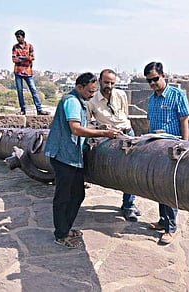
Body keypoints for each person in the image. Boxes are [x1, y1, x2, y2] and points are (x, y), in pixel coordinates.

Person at [44, 72, 120, 248]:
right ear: (79, 87)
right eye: (90, 92)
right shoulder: (71, 101)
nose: (92, 95)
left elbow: (83, 125)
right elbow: (76, 129)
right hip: (64, 156)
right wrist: (103, 133)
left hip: (72, 157)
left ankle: (65, 228)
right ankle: (61, 234)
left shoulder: (80, 101)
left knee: (77, 194)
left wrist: (100, 127)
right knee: (64, 196)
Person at [86, 69, 143, 222]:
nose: (109, 86)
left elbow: (125, 114)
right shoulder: (92, 101)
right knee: (121, 171)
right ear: (99, 81)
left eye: (112, 83)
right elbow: (89, 123)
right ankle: (128, 204)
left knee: (131, 170)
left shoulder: (121, 95)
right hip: (110, 138)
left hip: (128, 133)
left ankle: (129, 204)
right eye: (106, 82)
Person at [143, 61, 189, 244]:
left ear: (163, 76)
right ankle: (163, 221)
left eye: (155, 79)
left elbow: (184, 121)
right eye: (150, 81)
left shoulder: (177, 95)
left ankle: (171, 228)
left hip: (172, 146)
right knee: (158, 186)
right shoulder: (152, 99)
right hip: (156, 147)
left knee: (169, 188)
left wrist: (185, 146)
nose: (153, 83)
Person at [12, 29, 49, 115]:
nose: (18, 39)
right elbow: (14, 59)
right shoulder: (15, 47)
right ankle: (22, 110)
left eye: (19, 37)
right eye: (17, 37)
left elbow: (32, 57)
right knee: (20, 91)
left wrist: (21, 58)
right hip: (18, 71)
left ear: (23, 37)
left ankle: (39, 109)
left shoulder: (29, 46)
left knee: (33, 90)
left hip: (28, 72)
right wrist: (26, 57)